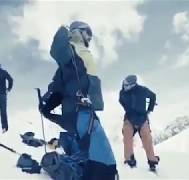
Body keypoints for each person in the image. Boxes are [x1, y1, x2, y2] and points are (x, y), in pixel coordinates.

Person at [39, 21, 118, 180]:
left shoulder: (76, 57)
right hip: (81, 112)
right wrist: (65, 31)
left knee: (90, 155)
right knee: (106, 163)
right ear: (78, 32)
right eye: (87, 33)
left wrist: (47, 108)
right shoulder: (74, 50)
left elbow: (58, 88)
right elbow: (58, 49)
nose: (89, 37)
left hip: (79, 113)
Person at [119, 75, 160, 170]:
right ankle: (130, 160)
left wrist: (149, 109)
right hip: (129, 118)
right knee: (127, 138)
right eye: (124, 85)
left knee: (147, 139)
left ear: (133, 84)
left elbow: (152, 96)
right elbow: (121, 101)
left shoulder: (143, 90)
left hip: (142, 118)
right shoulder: (122, 93)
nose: (125, 87)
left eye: (128, 85)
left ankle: (152, 161)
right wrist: (129, 110)